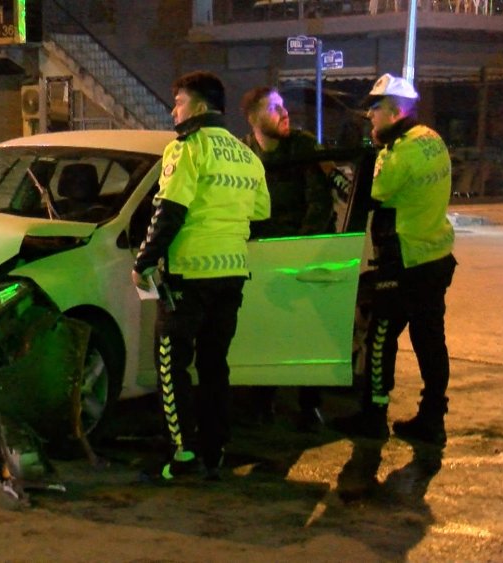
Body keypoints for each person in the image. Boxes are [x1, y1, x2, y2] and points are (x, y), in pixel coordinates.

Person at [132, 71, 270, 481]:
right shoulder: (246, 155)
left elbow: (168, 210)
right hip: (231, 273)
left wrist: (142, 261)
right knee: (215, 365)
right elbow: (261, 213)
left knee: (171, 365)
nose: (174, 110)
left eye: (178, 101)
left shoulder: (187, 148)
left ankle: (184, 455)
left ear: (200, 107)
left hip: (189, 274)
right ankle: (216, 448)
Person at [333, 73, 457, 445]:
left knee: (381, 337)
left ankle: (374, 414)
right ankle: (433, 416)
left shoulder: (398, 152)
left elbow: (375, 193)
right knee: (430, 339)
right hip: (435, 255)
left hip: (403, 259)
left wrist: (371, 153)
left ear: (394, 111)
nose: (370, 117)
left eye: (375, 110)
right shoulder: (433, 139)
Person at [240, 86, 335, 431]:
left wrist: (301, 249)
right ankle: (261, 400)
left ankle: (310, 404)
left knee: (305, 328)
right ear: (253, 118)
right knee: (262, 328)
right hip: (257, 251)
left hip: (299, 250)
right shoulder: (244, 153)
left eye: (283, 106)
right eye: (274, 108)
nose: (284, 113)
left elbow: (320, 202)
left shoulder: (303, 146)